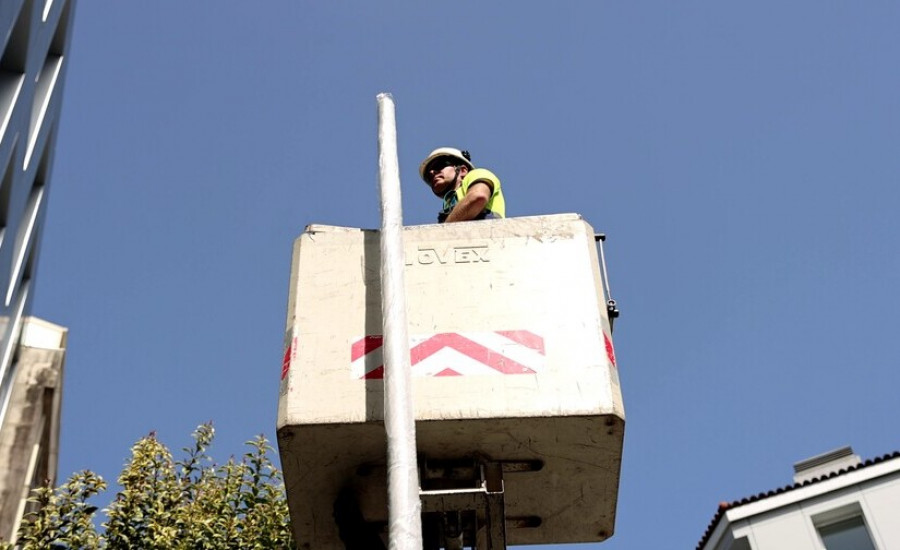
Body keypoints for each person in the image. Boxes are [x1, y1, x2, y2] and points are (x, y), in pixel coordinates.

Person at [419, 147, 505, 223]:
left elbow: (478, 196)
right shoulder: (450, 202)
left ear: (463, 170)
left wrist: (445, 229)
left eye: (438, 166)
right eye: (429, 176)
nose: (432, 172)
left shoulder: (477, 174)